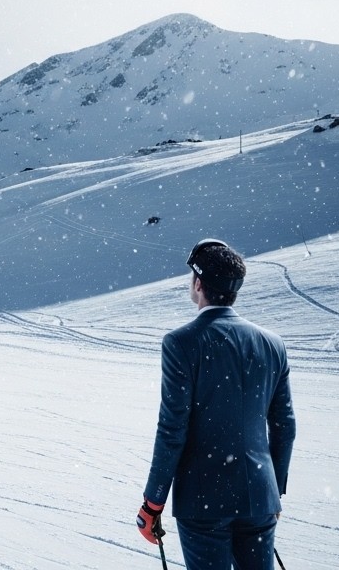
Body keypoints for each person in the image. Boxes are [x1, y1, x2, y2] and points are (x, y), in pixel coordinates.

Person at [136, 239, 296, 569]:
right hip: (259, 496)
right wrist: (273, 490)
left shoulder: (181, 342)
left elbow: (172, 429)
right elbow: (285, 426)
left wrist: (153, 504)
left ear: (198, 284)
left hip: (203, 499)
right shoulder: (272, 344)